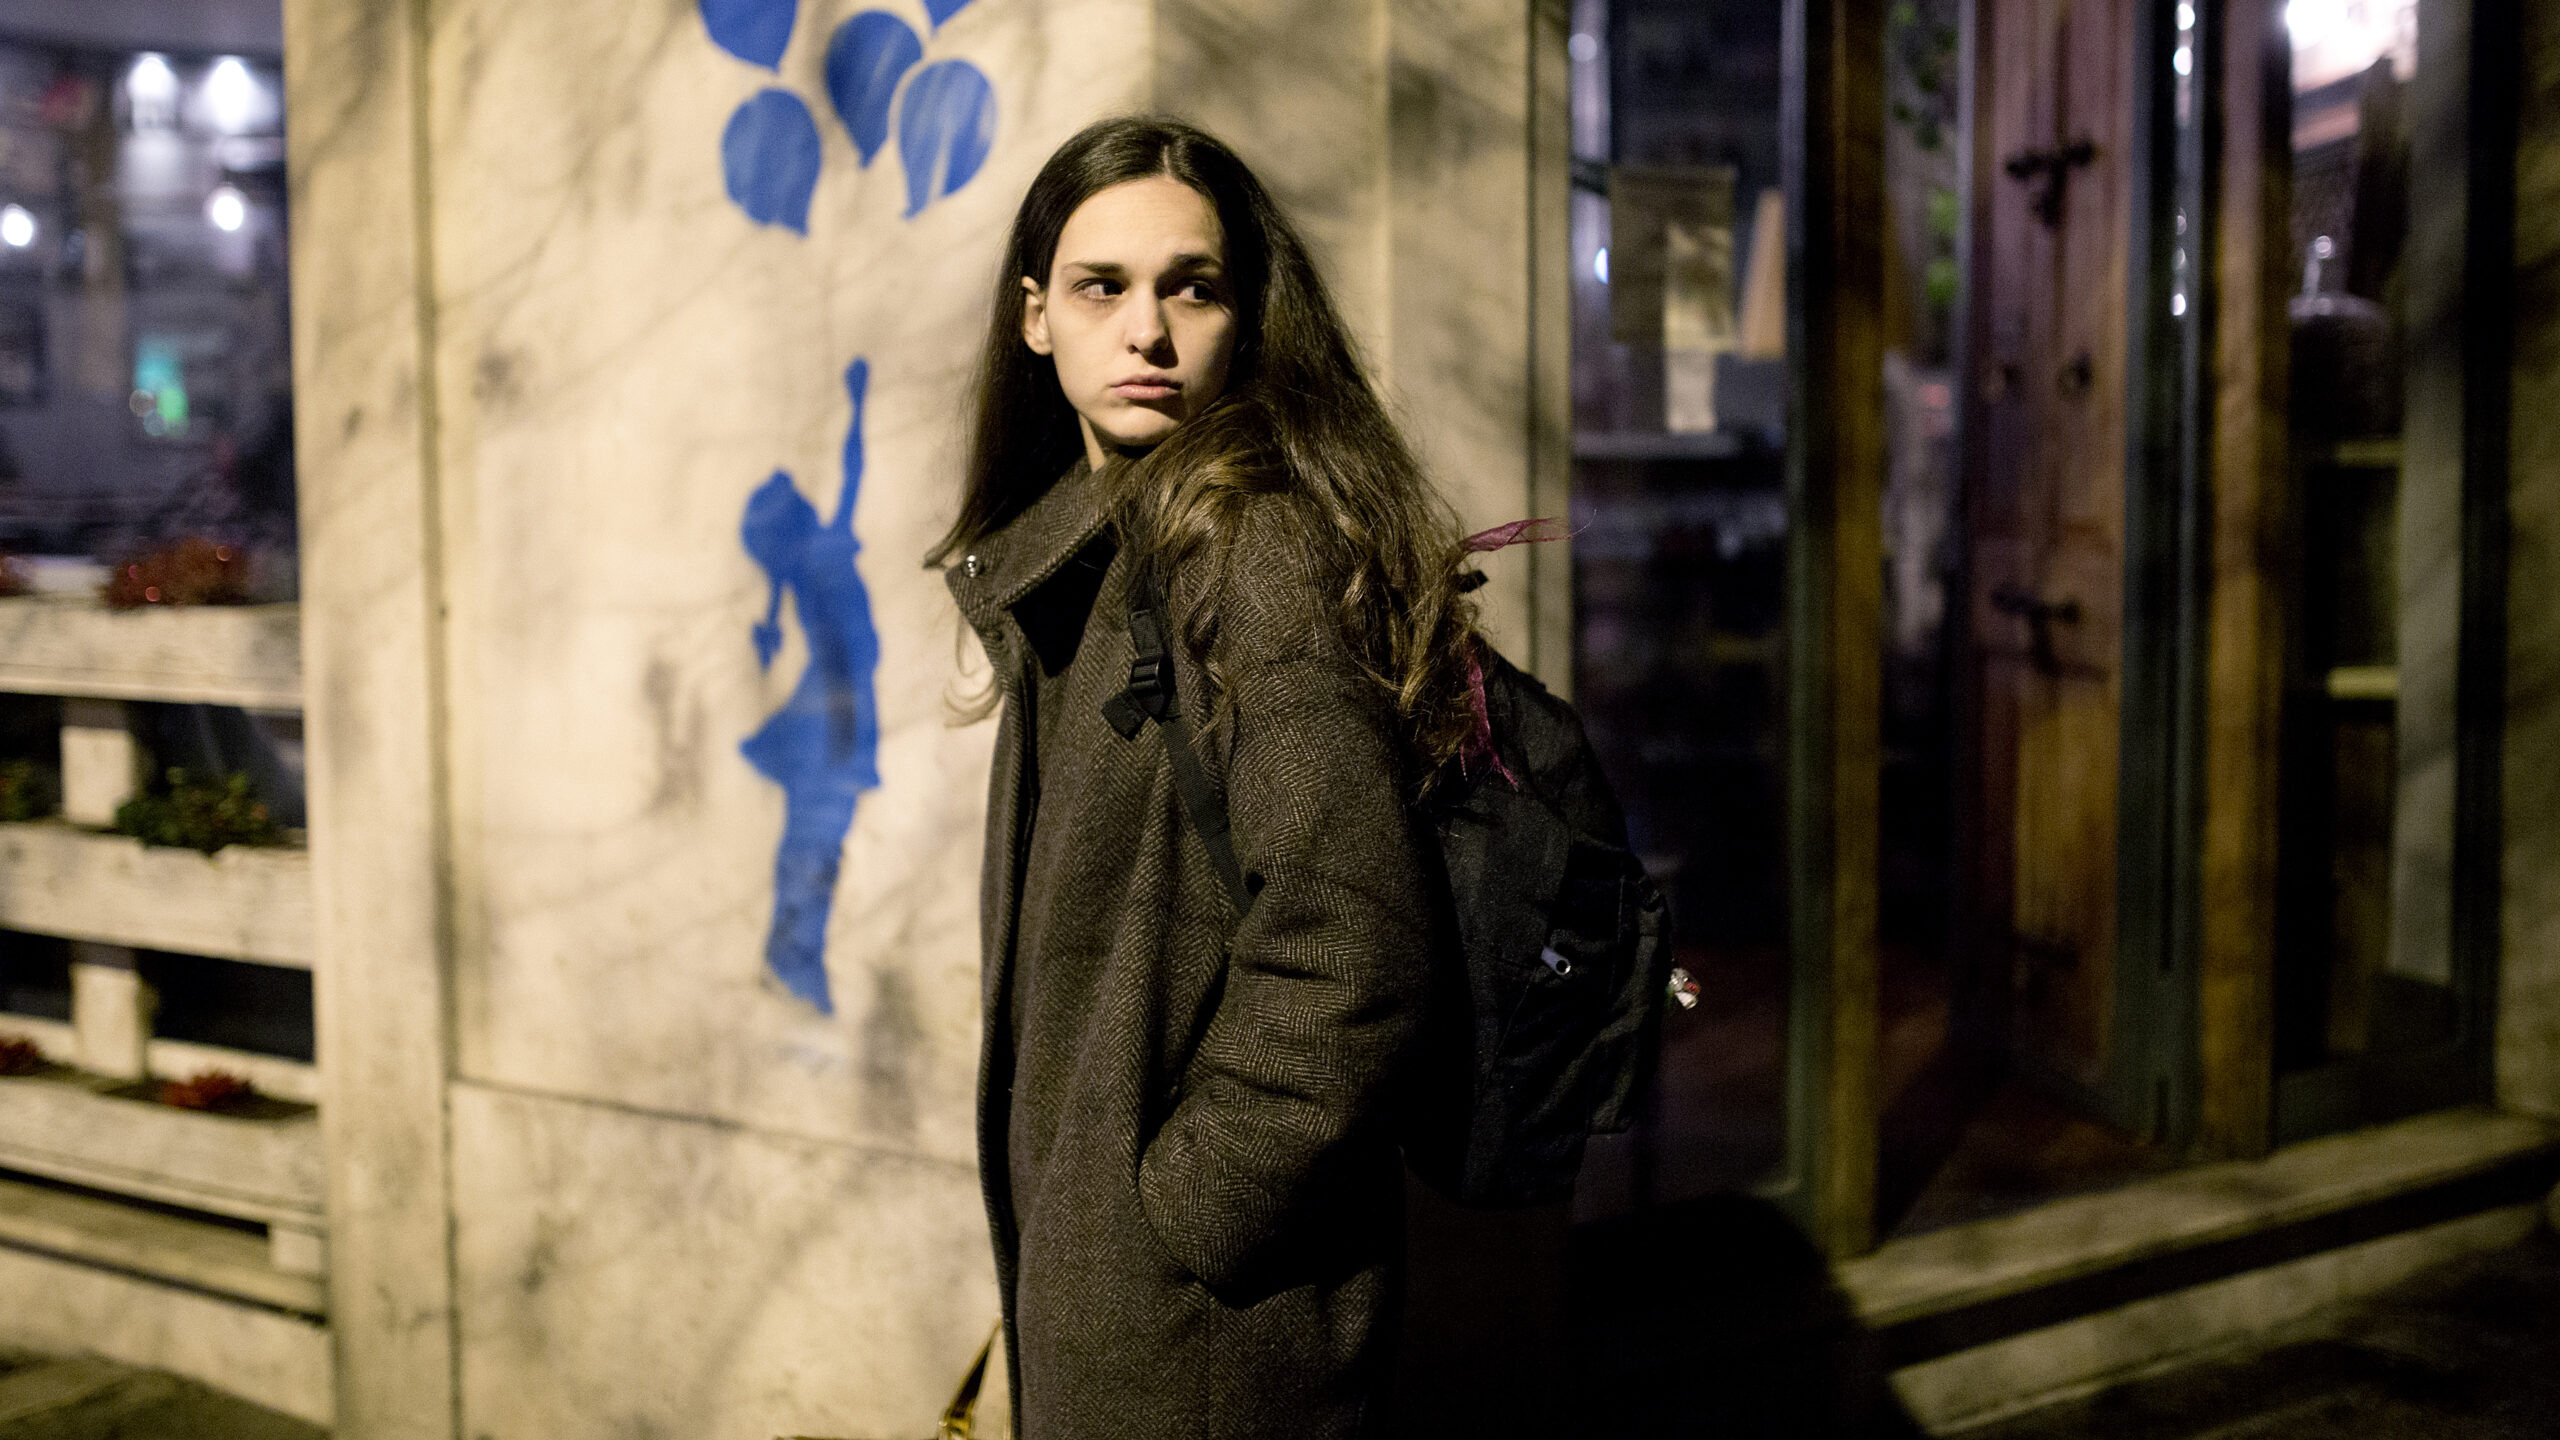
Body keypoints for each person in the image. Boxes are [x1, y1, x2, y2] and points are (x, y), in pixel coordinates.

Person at [932, 116, 1485, 1439]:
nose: (1149, 332)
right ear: (1035, 317)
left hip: (1210, 1342)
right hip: (1127, 1305)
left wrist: (1180, 1216)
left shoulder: (1247, 551)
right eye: (1102, 287)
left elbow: (1355, 944)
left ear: (1248, 316)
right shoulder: (1091, 559)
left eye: (1193, 288)